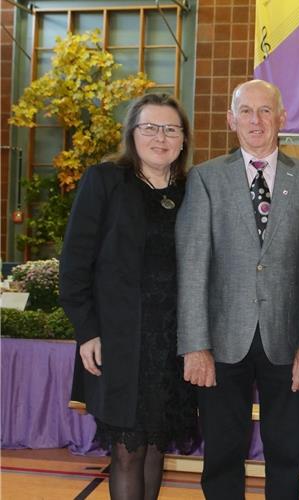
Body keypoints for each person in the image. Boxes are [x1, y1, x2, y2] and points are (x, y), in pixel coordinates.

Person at [175, 80, 299, 500]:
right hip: (220, 343)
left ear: (282, 118)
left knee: (286, 453)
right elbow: (193, 266)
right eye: (246, 111)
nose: (256, 120)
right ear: (231, 119)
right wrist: (195, 345)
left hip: (289, 345)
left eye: (265, 111)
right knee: (223, 454)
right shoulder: (206, 179)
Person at [60, 93, 196, 500]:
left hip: (173, 345)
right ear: (131, 134)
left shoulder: (193, 188)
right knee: (127, 451)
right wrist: (88, 332)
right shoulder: (105, 181)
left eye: (171, 129)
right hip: (119, 345)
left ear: (183, 139)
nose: (161, 137)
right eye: (150, 127)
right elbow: (74, 266)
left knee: (156, 446)